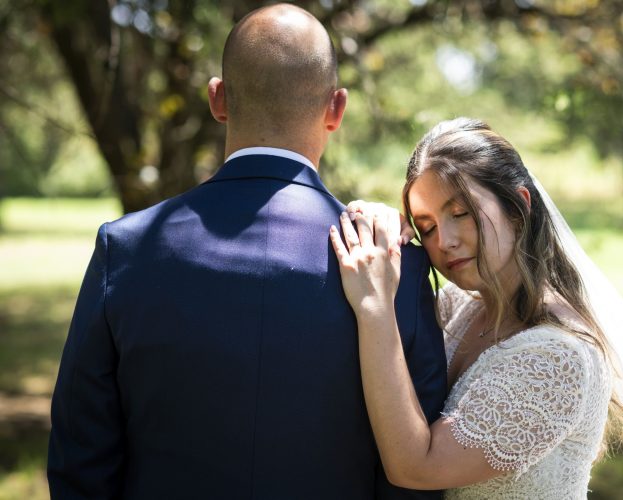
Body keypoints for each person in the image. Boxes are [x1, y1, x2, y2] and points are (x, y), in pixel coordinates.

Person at [47, 4, 447, 499]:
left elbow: (80, 458)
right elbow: (413, 481)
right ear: (336, 109)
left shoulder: (124, 250)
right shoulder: (395, 265)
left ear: (218, 99)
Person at [330, 117, 623, 498]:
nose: (445, 241)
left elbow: (416, 467)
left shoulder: (560, 357)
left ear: (518, 208)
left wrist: (375, 306)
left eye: (460, 213)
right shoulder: (458, 307)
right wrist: (376, 222)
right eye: (428, 226)